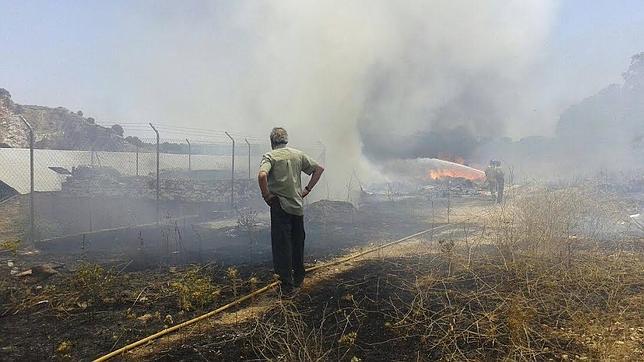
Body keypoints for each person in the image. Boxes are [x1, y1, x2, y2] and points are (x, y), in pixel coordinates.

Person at [257, 127, 325, 295]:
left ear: (272, 142)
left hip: (279, 206)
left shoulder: (270, 156)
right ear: (286, 140)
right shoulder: (298, 155)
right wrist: (307, 189)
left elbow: (262, 176)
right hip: (297, 206)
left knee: (282, 245)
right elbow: (319, 169)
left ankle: (286, 287)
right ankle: (299, 278)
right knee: (297, 241)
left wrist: (266, 196)